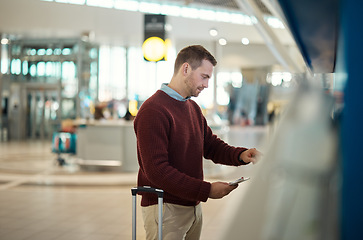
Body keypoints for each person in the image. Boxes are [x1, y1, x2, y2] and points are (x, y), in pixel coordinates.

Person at [134, 45, 261, 240]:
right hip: (165, 208)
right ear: (186, 69)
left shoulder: (192, 107)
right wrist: (207, 190)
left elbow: (210, 145)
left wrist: (240, 155)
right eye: (204, 76)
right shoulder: (153, 110)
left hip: (192, 207)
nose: (207, 84)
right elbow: (157, 171)